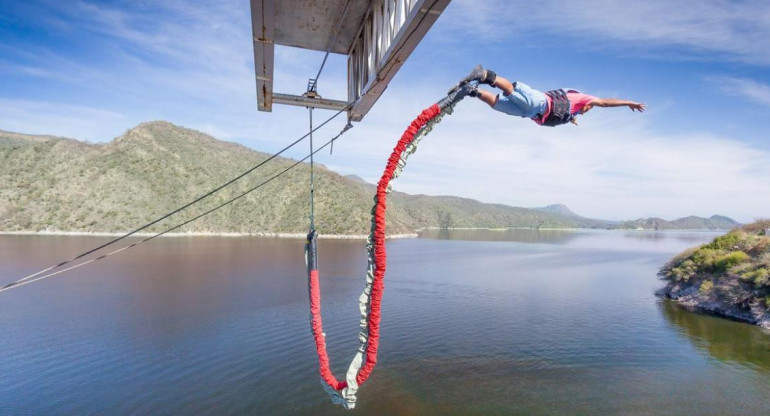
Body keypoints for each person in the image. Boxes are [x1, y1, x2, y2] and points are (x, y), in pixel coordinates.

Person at [449, 65, 646, 126]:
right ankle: (483, 74)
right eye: (587, 110)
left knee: (497, 104)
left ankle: (471, 91)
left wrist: (573, 119)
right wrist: (629, 102)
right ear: (588, 105)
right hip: (540, 104)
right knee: (510, 90)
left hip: (531, 113)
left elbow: (568, 114)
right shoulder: (583, 99)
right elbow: (605, 102)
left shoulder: (573, 110)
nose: (585, 112)